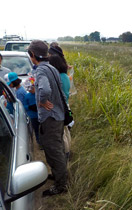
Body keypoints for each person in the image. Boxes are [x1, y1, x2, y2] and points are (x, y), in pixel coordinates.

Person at [28, 40, 67, 196]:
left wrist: (42, 101)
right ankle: (59, 175)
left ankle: (61, 185)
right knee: (56, 149)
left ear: (32, 55)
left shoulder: (41, 70)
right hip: (57, 116)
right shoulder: (51, 67)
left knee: (54, 151)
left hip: (50, 118)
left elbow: (45, 90)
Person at [48, 46, 72, 160]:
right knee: (66, 132)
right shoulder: (65, 76)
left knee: (62, 134)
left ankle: (66, 154)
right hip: (65, 105)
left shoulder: (59, 77)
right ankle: (68, 152)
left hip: (61, 108)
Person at [23, 77, 40, 147]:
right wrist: (30, 107)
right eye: (28, 89)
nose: (30, 90)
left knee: (44, 129)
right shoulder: (27, 96)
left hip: (41, 115)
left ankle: (45, 142)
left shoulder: (39, 94)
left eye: (31, 88)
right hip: (33, 116)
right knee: (36, 130)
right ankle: (39, 143)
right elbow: (24, 106)